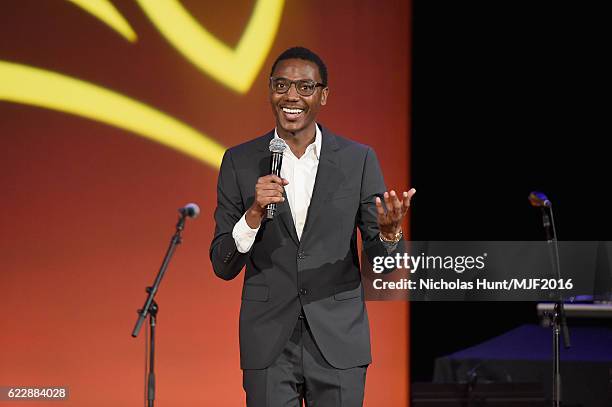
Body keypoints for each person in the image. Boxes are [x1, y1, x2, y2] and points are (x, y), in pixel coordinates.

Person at [210, 46, 415, 407]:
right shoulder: (239, 161)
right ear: (270, 90)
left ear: (323, 95)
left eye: (305, 87)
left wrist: (389, 233)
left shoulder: (358, 160)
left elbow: (383, 263)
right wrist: (254, 213)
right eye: (281, 85)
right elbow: (222, 264)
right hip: (269, 340)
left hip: (338, 338)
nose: (291, 96)